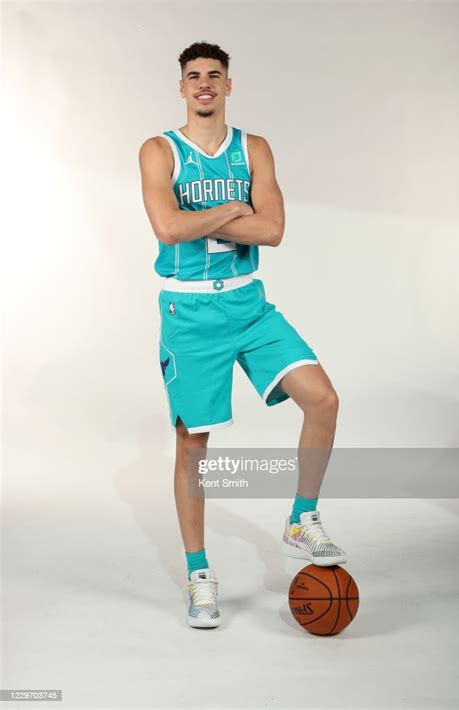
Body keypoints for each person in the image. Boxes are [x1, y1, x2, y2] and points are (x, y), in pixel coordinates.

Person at [139, 41, 347, 629]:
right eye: (193, 76)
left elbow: (274, 228)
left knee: (323, 399)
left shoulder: (254, 148)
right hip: (191, 315)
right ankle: (200, 575)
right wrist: (235, 208)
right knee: (194, 450)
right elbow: (166, 225)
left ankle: (301, 518)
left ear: (230, 85)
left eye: (215, 75)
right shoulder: (159, 151)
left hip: (250, 306)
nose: (204, 83)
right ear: (181, 87)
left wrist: (209, 216)